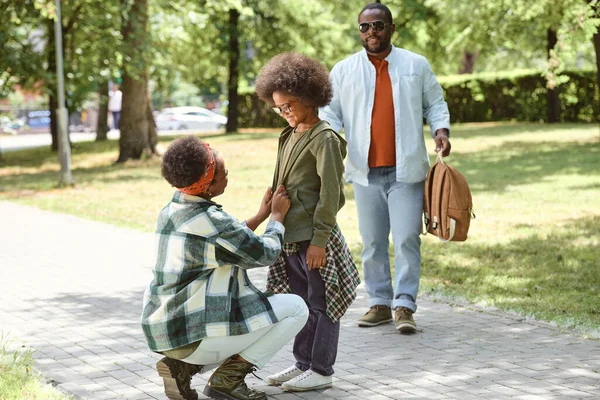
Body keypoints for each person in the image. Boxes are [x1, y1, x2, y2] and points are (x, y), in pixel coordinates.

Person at [141, 136, 309, 400]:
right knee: (297, 308)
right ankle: (228, 380)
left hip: (166, 333)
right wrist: (277, 218)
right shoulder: (213, 221)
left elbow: (221, 243)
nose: (227, 174)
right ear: (207, 185)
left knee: (243, 317)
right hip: (194, 336)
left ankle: (181, 368)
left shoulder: (172, 209)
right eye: (222, 173)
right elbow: (264, 254)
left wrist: (258, 217)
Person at [319, 2, 452, 334]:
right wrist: (330, 139)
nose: (371, 32)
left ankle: (404, 306)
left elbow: (435, 102)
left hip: (406, 171)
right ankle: (379, 303)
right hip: (365, 171)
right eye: (364, 27)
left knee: (407, 237)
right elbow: (329, 113)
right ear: (359, 32)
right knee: (373, 241)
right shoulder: (344, 70)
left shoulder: (415, 65)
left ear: (391, 28)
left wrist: (441, 131)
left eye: (378, 25)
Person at [254, 52, 360, 392]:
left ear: (311, 98)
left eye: (289, 106)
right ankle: (303, 363)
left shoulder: (324, 139)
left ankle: (321, 369)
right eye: (278, 108)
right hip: (290, 235)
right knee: (300, 306)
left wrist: (319, 241)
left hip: (314, 238)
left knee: (322, 303)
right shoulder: (288, 135)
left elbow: (332, 196)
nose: (284, 113)